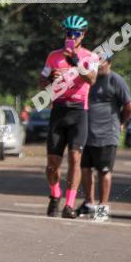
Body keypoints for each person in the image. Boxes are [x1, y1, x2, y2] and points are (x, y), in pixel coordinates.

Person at [37, 15, 98, 218]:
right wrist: (49, 80)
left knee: (75, 158)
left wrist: (75, 62)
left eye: (76, 33)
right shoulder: (53, 56)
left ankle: (69, 205)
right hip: (59, 110)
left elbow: (91, 79)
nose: (72, 36)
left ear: (83, 35)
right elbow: (41, 82)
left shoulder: (90, 57)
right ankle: (55, 195)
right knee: (52, 164)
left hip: (79, 111)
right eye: (68, 33)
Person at [77, 54, 131, 222]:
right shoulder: (89, 79)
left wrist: (120, 122)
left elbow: (129, 106)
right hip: (87, 134)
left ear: (109, 63)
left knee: (104, 171)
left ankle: (102, 207)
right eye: (96, 62)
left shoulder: (115, 80)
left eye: (101, 62)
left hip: (107, 135)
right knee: (85, 169)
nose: (98, 66)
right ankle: (89, 203)